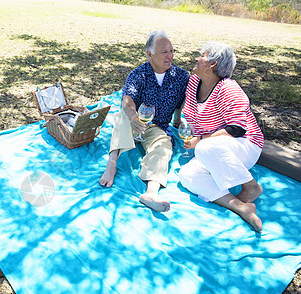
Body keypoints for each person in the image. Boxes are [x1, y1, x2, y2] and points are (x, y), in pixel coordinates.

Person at [99, 30, 190, 212]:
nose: (170, 56)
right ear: (150, 54)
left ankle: (151, 192)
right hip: (136, 122)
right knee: (122, 115)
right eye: (164, 51)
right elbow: (127, 99)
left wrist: (178, 119)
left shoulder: (181, 77)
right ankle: (112, 163)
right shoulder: (138, 74)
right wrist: (133, 117)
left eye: (172, 51)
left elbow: (181, 101)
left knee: (164, 146)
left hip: (157, 127)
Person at [178, 41, 264, 232]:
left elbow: (238, 129)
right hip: (214, 147)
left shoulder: (228, 88)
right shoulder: (194, 83)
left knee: (204, 148)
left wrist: (199, 140)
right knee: (186, 175)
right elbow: (191, 115)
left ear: (212, 65)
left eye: (202, 56)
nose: (197, 58)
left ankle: (250, 187)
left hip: (244, 144)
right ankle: (240, 206)